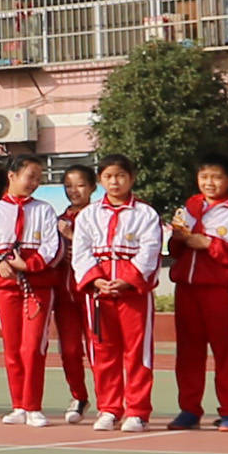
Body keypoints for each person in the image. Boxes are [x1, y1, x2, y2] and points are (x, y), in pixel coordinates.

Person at [0, 160, 63, 426]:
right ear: (12, 176)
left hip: (37, 288)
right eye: (30, 176)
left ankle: (33, 406)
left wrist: (29, 265)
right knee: (12, 348)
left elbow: (53, 246)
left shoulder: (44, 210)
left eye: (38, 178)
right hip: (6, 289)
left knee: (33, 347)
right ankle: (18, 405)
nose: (34, 182)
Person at [163, 159, 228, 430]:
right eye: (203, 176)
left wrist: (209, 244)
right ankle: (189, 409)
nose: (209, 182)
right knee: (188, 353)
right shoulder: (188, 208)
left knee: (226, 352)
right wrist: (178, 239)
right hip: (187, 289)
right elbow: (175, 250)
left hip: (221, 290)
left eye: (216, 177)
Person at [68, 156, 162, 431]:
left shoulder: (145, 214)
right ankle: (109, 408)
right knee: (102, 352)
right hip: (99, 295)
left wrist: (128, 279)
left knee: (137, 353)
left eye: (120, 175)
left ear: (132, 178)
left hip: (133, 294)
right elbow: (81, 252)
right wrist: (96, 280)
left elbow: (150, 251)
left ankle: (137, 410)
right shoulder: (88, 214)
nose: (114, 181)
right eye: (108, 176)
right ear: (100, 180)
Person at [50, 160, 100, 413]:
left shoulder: (98, 217)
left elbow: (103, 252)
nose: (74, 191)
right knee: (69, 350)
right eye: (68, 186)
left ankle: (108, 401)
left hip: (92, 294)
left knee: (96, 348)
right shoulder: (56, 219)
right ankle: (78, 396)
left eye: (80, 185)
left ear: (92, 187)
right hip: (63, 295)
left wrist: (73, 237)